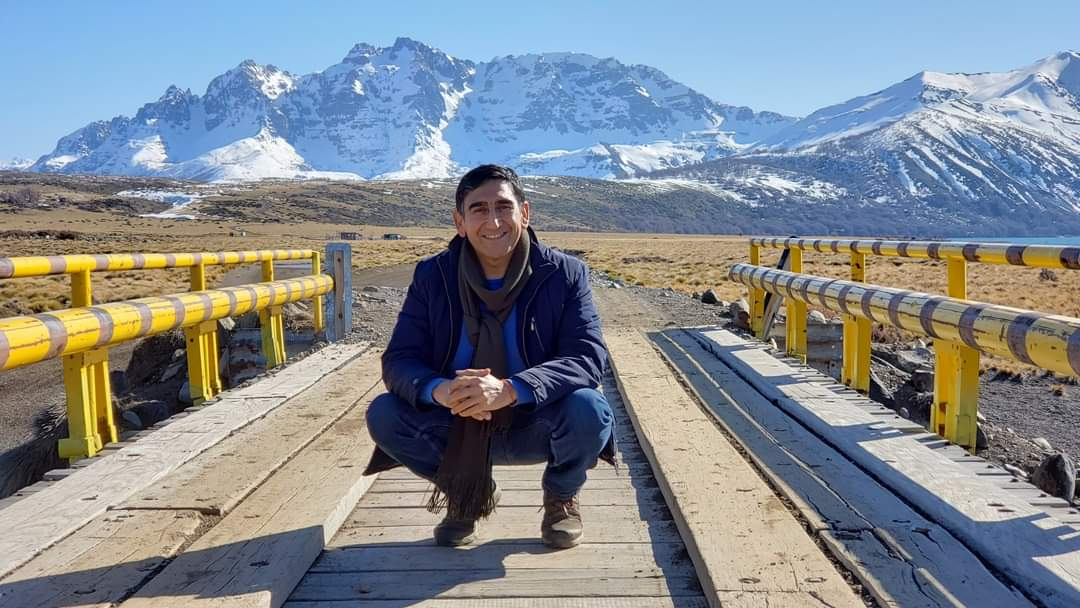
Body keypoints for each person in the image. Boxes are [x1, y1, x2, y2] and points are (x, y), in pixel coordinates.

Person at [363, 164, 616, 549]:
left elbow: (587, 357)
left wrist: (512, 389)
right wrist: (440, 390)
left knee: (590, 409)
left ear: (524, 213)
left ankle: (561, 497)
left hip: (536, 419)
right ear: (460, 222)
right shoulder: (433, 276)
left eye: (503, 207)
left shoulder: (563, 274)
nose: (493, 221)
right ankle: (468, 492)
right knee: (384, 413)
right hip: (456, 420)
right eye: (479, 209)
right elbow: (399, 358)